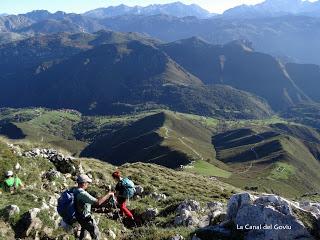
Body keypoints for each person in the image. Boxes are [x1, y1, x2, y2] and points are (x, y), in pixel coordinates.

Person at [75, 174, 114, 240]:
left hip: (79, 215)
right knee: (96, 232)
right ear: (84, 183)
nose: (88, 184)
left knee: (84, 229)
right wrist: (108, 194)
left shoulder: (75, 190)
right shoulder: (82, 194)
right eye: (87, 182)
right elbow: (98, 202)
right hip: (85, 217)